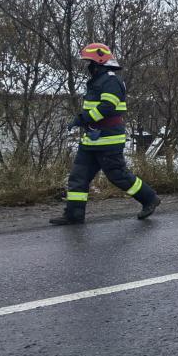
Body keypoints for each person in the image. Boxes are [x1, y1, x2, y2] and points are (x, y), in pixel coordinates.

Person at [50, 43, 160, 225]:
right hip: (92, 139)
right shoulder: (97, 80)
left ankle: (149, 198)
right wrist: (82, 120)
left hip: (109, 139)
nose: (87, 67)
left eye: (90, 62)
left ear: (99, 62)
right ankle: (74, 215)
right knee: (78, 177)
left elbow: (107, 107)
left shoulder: (111, 80)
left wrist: (83, 118)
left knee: (118, 175)